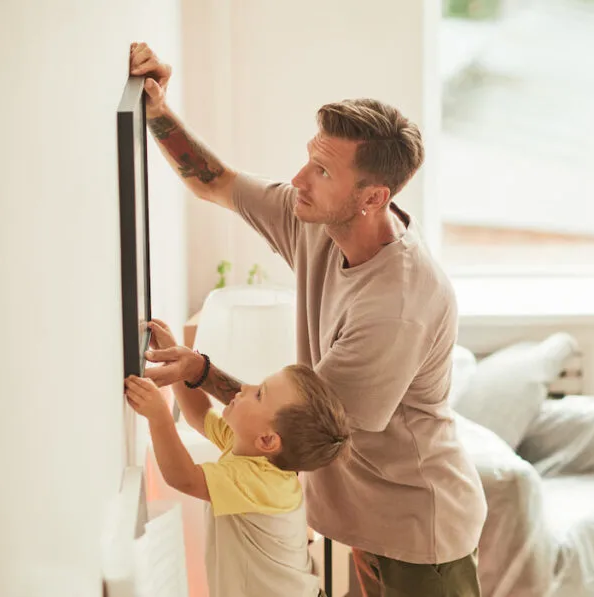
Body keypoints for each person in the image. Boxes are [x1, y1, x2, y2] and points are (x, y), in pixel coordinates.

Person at [129, 43, 487, 596]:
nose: (299, 178)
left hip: (418, 530)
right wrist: (155, 109)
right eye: (308, 158)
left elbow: (298, 423)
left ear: (374, 198)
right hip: (366, 518)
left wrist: (200, 373)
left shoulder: (396, 306)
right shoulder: (316, 219)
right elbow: (213, 181)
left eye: (322, 170)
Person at [125, 319, 350, 597]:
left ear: (268, 440)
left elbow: (182, 477)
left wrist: (159, 416)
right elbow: (199, 417)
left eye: (258, 394)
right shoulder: (251, 448)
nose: (244, 388)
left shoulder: (259, 482)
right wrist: (176, 359)